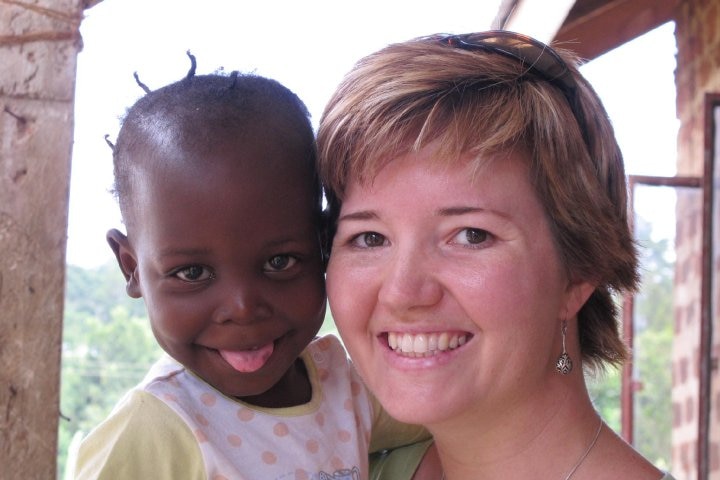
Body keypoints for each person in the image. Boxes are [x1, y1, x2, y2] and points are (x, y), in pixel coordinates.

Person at [317, 31, 677, 480]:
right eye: (369, 238)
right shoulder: (322, 467)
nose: (403, 292)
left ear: (579, 269)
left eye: (470, 235)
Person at [73, 53, 427, 479]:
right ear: (131, 267)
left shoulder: (344, 387)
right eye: (192, 273)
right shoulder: (154, 430)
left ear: (324, 243)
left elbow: (457, 422)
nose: (242, 307)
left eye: (280, 262)